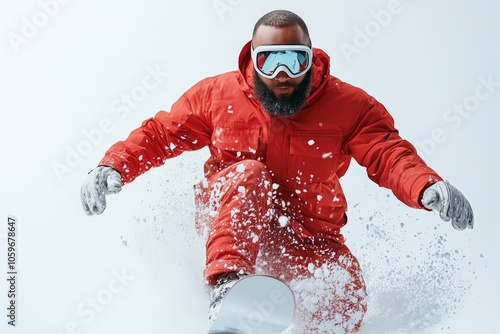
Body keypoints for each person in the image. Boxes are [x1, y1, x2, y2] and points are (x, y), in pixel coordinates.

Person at [80, 9, 474, 333]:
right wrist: (113, 164)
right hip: (231, 219)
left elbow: (387, 153)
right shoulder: (218, 96)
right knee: (249, 173)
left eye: (294, 60)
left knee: (346, 291)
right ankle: (228, 290)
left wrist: (426, 184)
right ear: (253, 60)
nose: (282, 75)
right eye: (270, 62)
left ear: (310, 58)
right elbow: (161, 133)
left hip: (306, 236)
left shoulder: (350, 106)